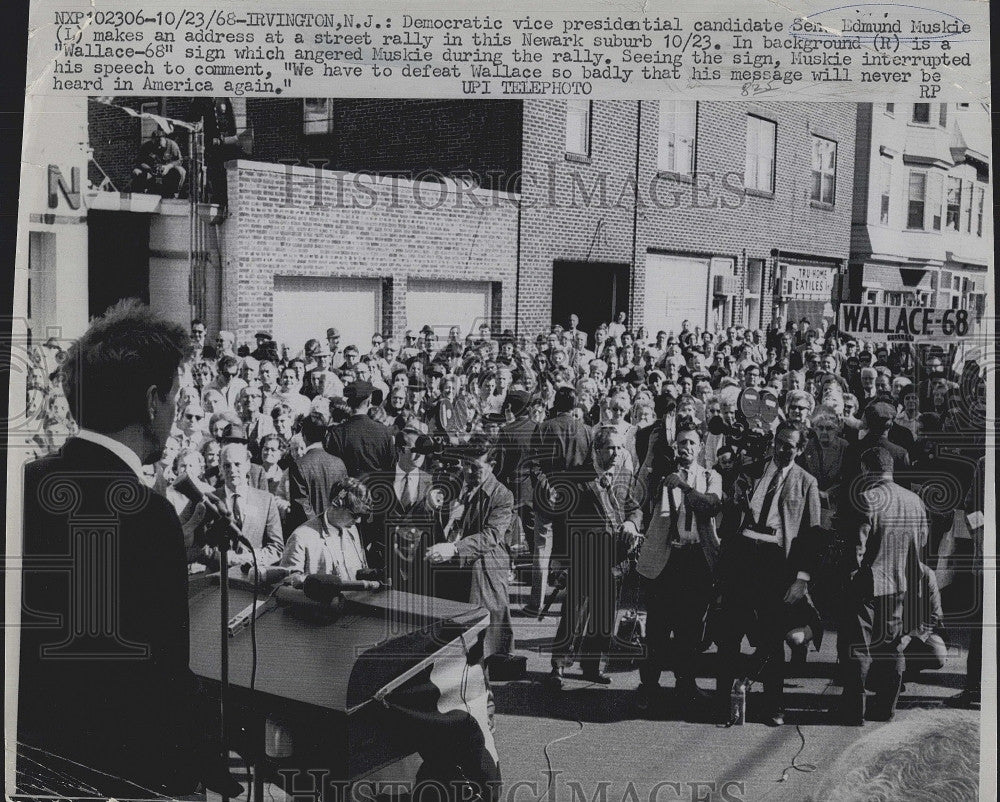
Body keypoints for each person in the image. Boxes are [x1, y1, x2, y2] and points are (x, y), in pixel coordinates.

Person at [19, 300, 236, 796]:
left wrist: (165, 553)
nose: (177, 414)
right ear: (151, 401)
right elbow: (164, 677)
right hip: (118, 770)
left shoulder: (23, 485)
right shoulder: (148, 515)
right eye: (177, 399)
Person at [715, 420, 822, 726]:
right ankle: (725, 701)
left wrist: (802, 577)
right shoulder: (753, 471)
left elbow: (812, 535)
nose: (781, 448)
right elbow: (732, 514)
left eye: (789, 444)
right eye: (778, 442)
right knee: (730, 631)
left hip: (776, 561)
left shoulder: (806, 482)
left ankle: (774, 704)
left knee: (771, 636)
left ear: (800, 449)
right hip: (744, 554)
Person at [538, 428, 643, 688]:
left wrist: (631, 523)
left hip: (614, 559)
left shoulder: (624, 476)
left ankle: (591, 666)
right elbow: (562, 524)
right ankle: (558, 668)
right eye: (610, 448)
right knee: (574, 616)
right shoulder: (576, 478)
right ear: (597, 450)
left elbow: (634, 507)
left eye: (620, 448)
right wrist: (561, 564)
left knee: (604, 618)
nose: (616, 453)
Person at [636, 424, 723, 718]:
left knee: (690, 629)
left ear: (700, 448)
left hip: (696, 560)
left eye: (691, 443)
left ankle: (685, 685)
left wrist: (683, 486)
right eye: (681, 443)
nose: (686, 448)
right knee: (657, 629)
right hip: (666, 557)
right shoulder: (660, 476)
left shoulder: (711, 476)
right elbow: (639, 501)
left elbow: (709, 505)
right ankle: (648, 686)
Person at [837, 447, 927, 725]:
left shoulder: (867, 499)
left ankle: (854, 713)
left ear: (866, 469)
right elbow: (922, 542)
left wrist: (850, 576)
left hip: (868, 583)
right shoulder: (914, 501)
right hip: (900, 582)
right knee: (891, 648)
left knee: (860, 649)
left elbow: (857, 547)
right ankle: (885, 709)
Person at [425, 434, 517, 664]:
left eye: (474, 467)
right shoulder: (456, 483)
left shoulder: (502, 495)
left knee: (478, 643)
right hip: (453, 569)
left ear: (492, 465)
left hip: (482, 573)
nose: (467, 471)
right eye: (464, 464)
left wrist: (455, 549)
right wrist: (432, 499)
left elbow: (491, 536)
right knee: (451, 641)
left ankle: (484, 695)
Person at [526, 386, 594, 614]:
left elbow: (534, 464)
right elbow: (590, 469)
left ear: (556, 403)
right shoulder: (586, 431)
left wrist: (547, 486)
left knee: (541, 550)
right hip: (575, 498)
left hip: (546, 496)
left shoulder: (543, 427)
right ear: (575, 406)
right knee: (575, 551)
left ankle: (536, 602)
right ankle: (571, 604)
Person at [185, 442, 284, 570]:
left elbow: (276, 547)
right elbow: (197, 546)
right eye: (227, 465)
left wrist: (251, 558)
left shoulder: (266, 500)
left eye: (237, 464)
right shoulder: (209, 500)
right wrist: (226, 557)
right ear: (220, 468)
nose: (232, 470)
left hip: (253, 576)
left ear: (248, 465)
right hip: (218, 577)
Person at [281, 477, 375, 580]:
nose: (358, 521)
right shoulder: (301, 537)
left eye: (362, 515)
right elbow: (287, 585)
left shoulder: (352, 530)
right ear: (336, 505)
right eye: (355, 515)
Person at [287, 409, 347, 531]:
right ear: (325, 434)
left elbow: (301, 505)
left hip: (309, 531)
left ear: (303, 434)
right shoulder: (339, 463)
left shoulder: (298, 465)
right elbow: (343, 498)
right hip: (334, 529)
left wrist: (317, 529)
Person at [326, 380, 396, 476]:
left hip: (349, 488)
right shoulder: (384, 431)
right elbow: (391, 469)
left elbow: (333, 471)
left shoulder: (338, 432)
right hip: (377, 487)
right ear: (369, 401)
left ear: (348, 402)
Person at [131, 127, 186, 197]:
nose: (158, 148)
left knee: (181, 171)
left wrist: (168, 167)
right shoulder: (146, 146)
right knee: (136, 172)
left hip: (168, 173)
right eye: (156, 144)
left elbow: (179, 160)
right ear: (152, 140)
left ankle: (175, 193)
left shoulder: (172, 145)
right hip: (151, 172)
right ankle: (140, 196)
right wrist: (148, 168)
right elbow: (139, 161)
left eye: (160, 145)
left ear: (164, 139)